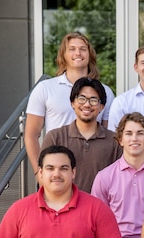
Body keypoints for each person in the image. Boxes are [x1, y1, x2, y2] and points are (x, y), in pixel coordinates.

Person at [25, 31, 115, 173]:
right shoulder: (45, 89)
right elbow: (31, 135)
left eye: (83, 49)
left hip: (94, 170)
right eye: (72, 49)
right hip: (57, 172)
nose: (78, 53)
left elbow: (109, 137)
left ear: (89, 55)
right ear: (63, 55)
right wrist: (39, 173)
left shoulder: (105, 92)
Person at [42, 77, 122, 192]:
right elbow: (45, 177)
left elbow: (120, 181)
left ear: (101, 107)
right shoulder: (55, 137)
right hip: (63, 207)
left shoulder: (115, 141)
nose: (87, 104)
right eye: (81, 99)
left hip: (102, 207)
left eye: (93, 100)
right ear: (72, 103)